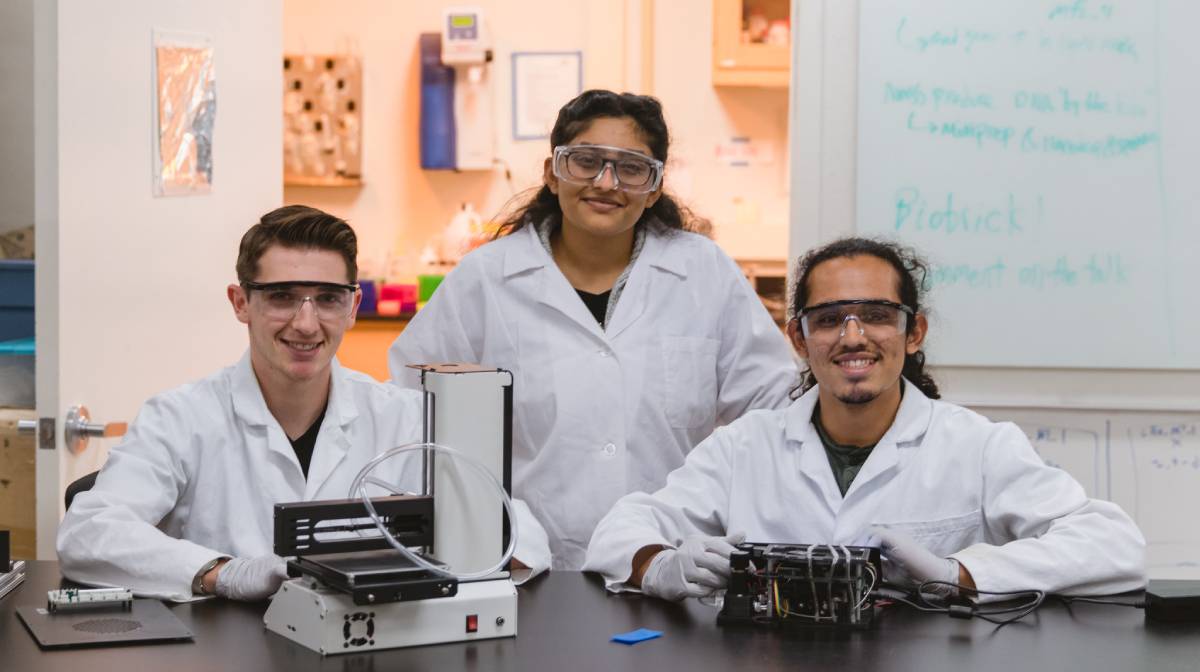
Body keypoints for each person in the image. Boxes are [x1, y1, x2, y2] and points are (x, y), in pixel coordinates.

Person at [583, 237, 1146, 601]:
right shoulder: (745, 445)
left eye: (877, 316)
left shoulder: (977, 445)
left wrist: (959, 573)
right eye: (829, 319)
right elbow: (618, 530)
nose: (853, 337)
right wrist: (660, 566)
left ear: (914, 332)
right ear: (798, 338)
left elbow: (1113, 543)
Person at [390, 90, 797, 570]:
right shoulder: (486, 279)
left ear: (655, 186)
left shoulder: (703, 272)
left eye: (631, 168)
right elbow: (412, 413)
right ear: (552, 173)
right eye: (586, 161)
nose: (606, 183)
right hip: (527, 565)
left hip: (671, 565)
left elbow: (773, 410)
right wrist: (489, 538)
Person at [57, 205, 549, 601]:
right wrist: (223, 573)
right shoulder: (181, 418)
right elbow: (90, 532)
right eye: (282, 297)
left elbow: (518, 531)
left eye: (328, 298)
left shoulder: (405, 417)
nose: (307, 324)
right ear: (240, 303)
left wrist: (452, 557)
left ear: (354, 307)